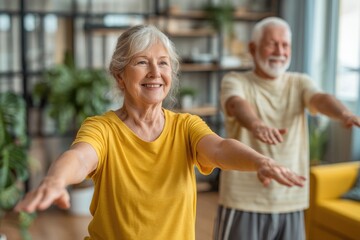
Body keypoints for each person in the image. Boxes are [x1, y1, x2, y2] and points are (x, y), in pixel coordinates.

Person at [15, 24, 305, 240]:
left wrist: (261, 161)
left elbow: (219, 148)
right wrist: (56, 179)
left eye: (163, 63)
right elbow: (79, 158)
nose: (155, 72)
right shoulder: (102, 128)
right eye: (142, 62)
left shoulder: (186, 127)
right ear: (120, 76)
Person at [214, 17, 360, 240]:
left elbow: (320, 99)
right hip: (243, 200)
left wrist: (343, 113)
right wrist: (256, 124)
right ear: (253, 48)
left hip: (291, 199)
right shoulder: (235, 80)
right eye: (272, 43)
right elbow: (236, 104)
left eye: (285, 45)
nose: (280, 51)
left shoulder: (300, 82)